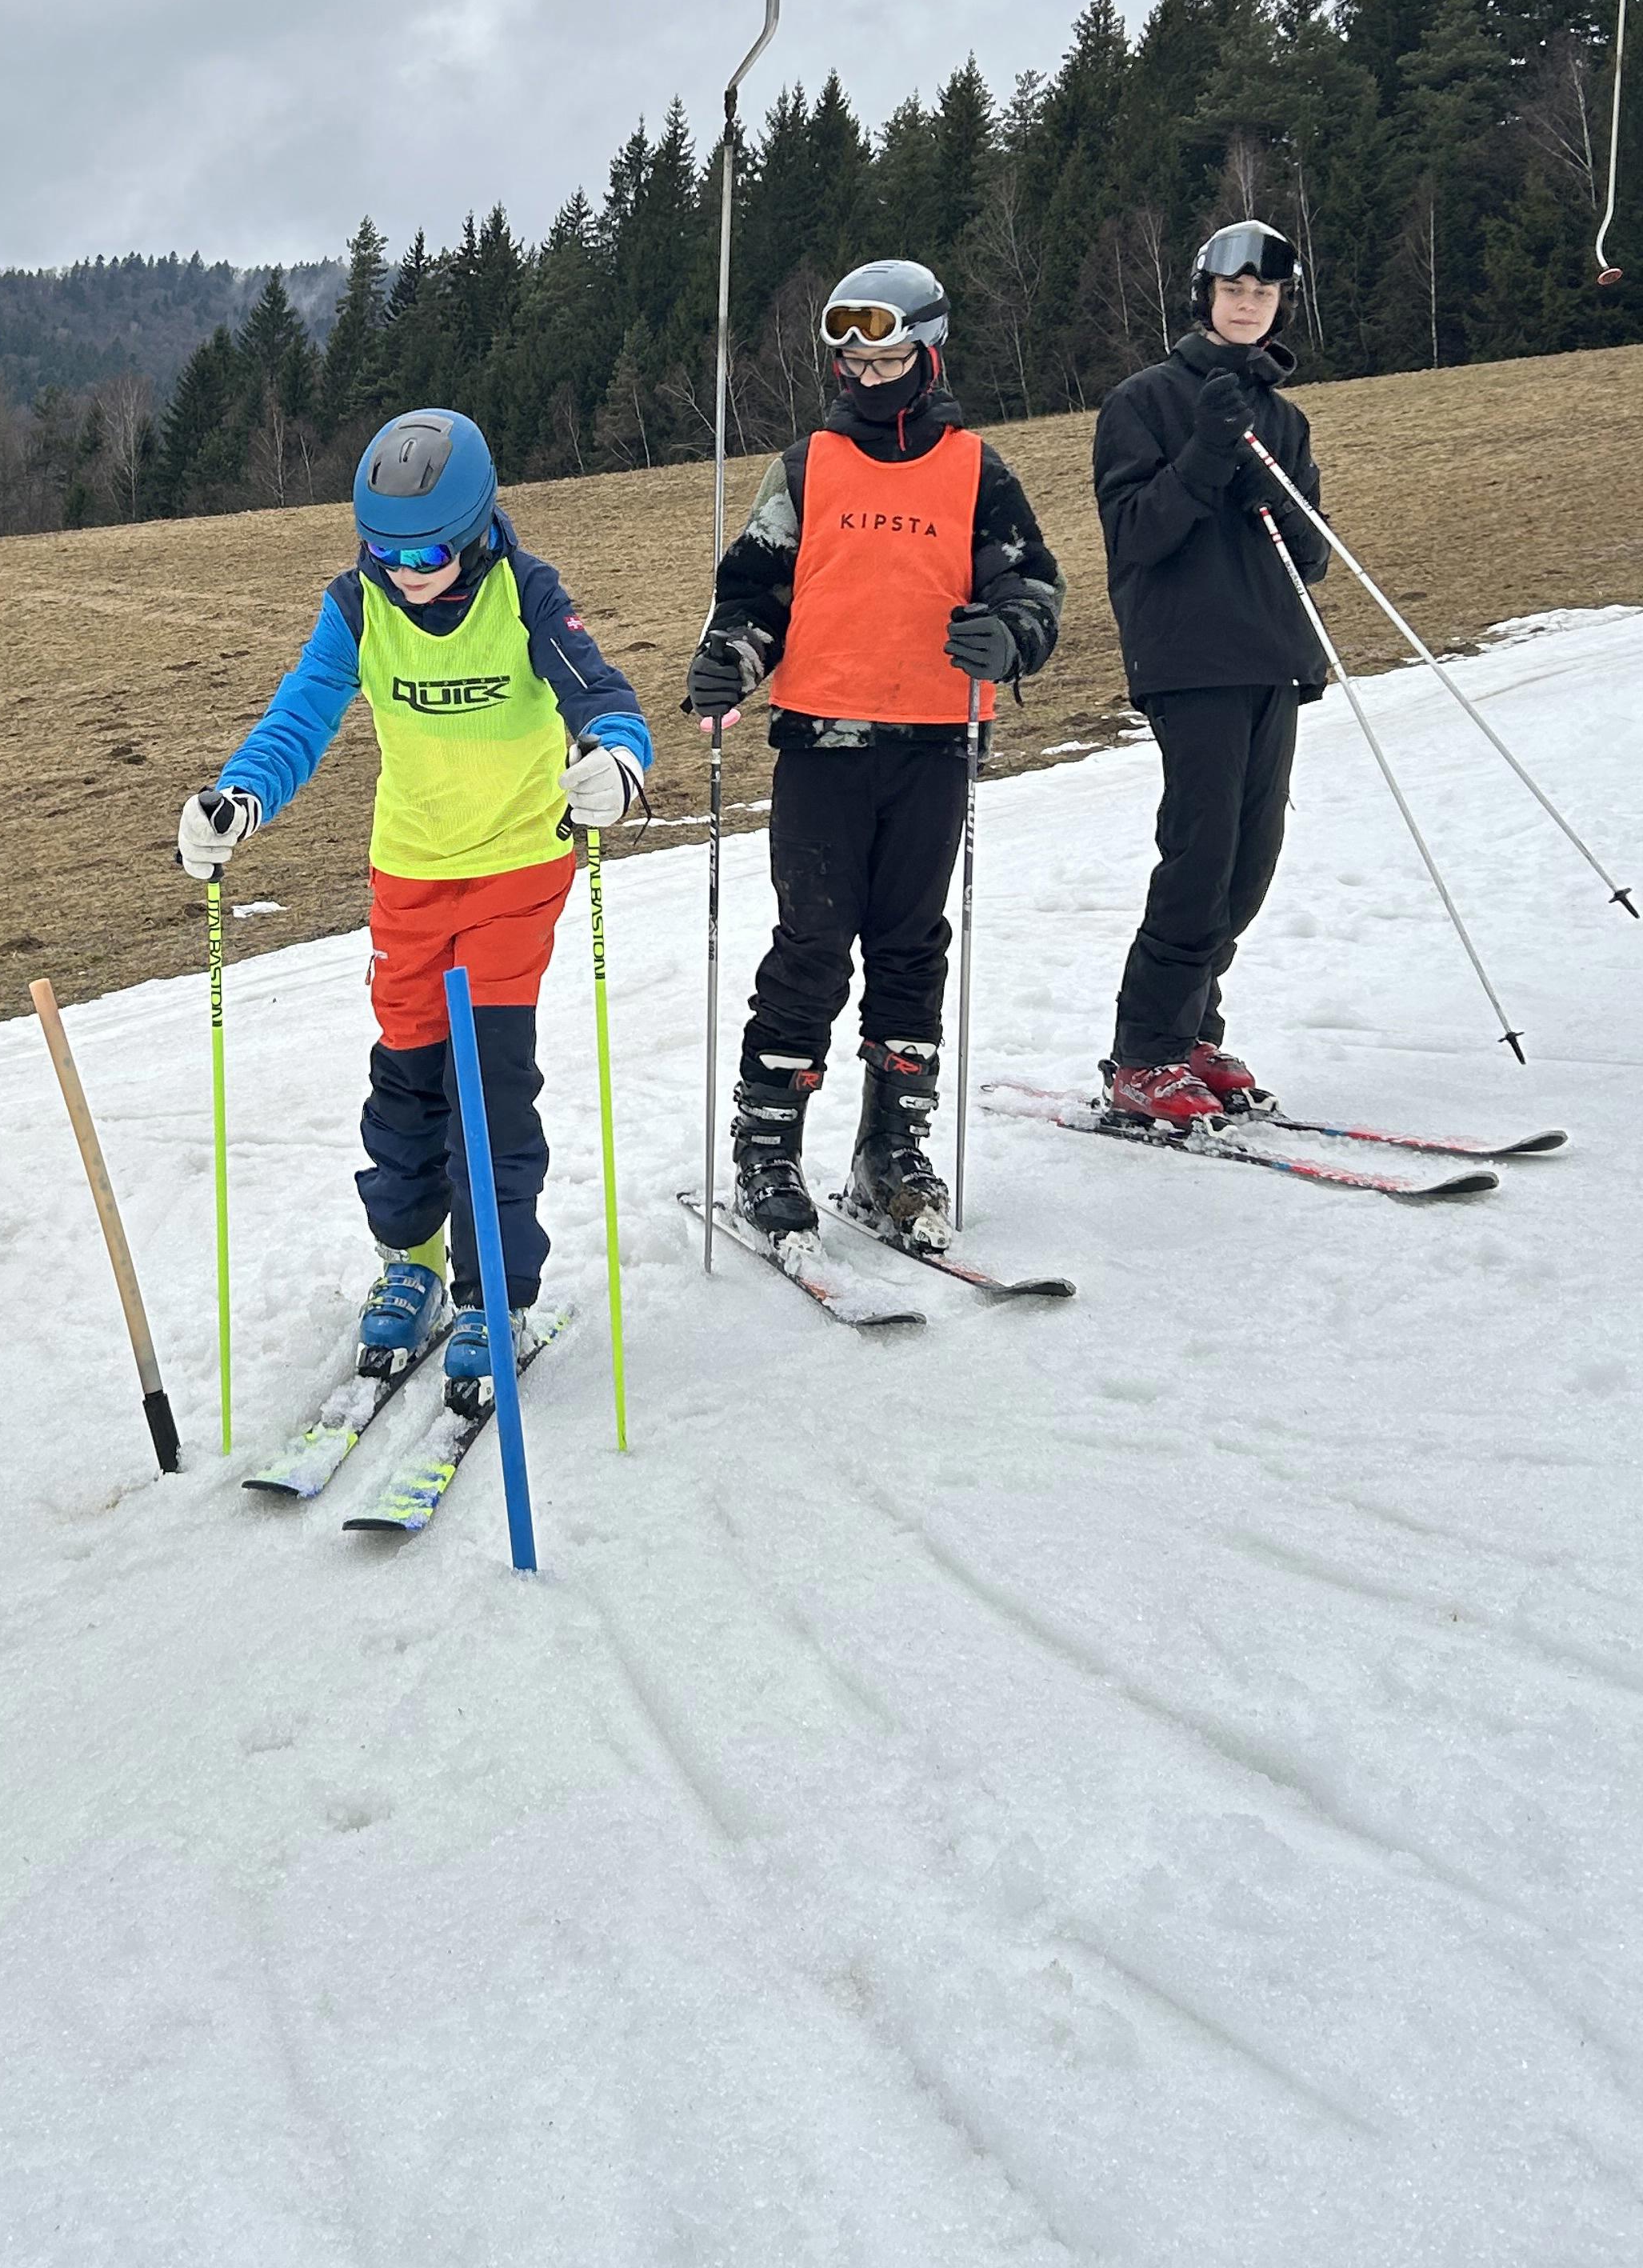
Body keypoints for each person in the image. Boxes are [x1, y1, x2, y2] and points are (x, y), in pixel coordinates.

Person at [176, 408, 651, 1404]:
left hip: (518, 868)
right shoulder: (358, 606)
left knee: (488, 1081)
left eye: (427, 553)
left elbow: (602, 695)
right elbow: (300, 715)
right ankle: (411, 1261)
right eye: (384, 553)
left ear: (475, 529)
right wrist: (238, 798)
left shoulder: (526, 594)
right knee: (406, 1077)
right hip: (409, 872)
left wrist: (618, 761)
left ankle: (493, 1295)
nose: (406, 573)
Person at [686, 258, 1063, 1253]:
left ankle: (891, 1149)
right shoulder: (805, 468)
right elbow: (754, 594)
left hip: (935, 746)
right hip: (823, 747)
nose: (865, 373)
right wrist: (730, 662)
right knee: (811, 947)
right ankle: (768, 1149)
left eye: (887, 356)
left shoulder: (978, 471)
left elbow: (1031, 584)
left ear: (928, 354)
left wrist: (1010, 636)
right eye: (851, 358)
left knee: (910, 948)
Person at [1093, 218, 1329, 1122]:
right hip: (1189, 655)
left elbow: (1312, 555)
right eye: (1234, 291)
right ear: (1205, 296)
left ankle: (1193, 1030)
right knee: (1202, 855)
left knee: (1251, 861)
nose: (1248, 306)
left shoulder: (1285, 417)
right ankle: (1145, 1052)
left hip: (1273, 654)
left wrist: (1272, 489)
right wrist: (1203, 455)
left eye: (1264, 294)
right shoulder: (1144, 401)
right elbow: (1136, 534)